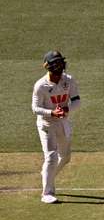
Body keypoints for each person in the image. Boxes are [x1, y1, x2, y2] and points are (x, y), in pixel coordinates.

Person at [31, 50, 82, 204]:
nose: (59, 66)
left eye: (60, 62)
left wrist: (66, 109)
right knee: (51, 157)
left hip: (62, 122)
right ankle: (47, 193)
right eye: (56, 63)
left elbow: (77, 101)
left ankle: (47, 175)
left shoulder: (69, 80)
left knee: (65, 157)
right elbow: (35, 108)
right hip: (46, 124)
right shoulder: (40, 86)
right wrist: (51, 112)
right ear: (48, 66)